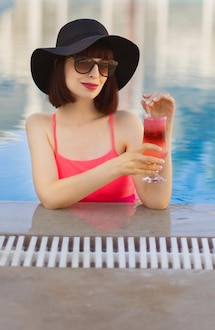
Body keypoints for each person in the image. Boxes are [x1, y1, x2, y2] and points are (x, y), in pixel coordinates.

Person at [26, 18, 175, 210]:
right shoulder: (40, 125)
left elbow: (157, 201)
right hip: (63, 239)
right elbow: (50, 197)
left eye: (104, 65)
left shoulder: (126, 124)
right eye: (83, 63)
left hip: (119, 238)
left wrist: (163, 127)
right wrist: (118, 166)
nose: (95, 74)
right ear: (58, 65)